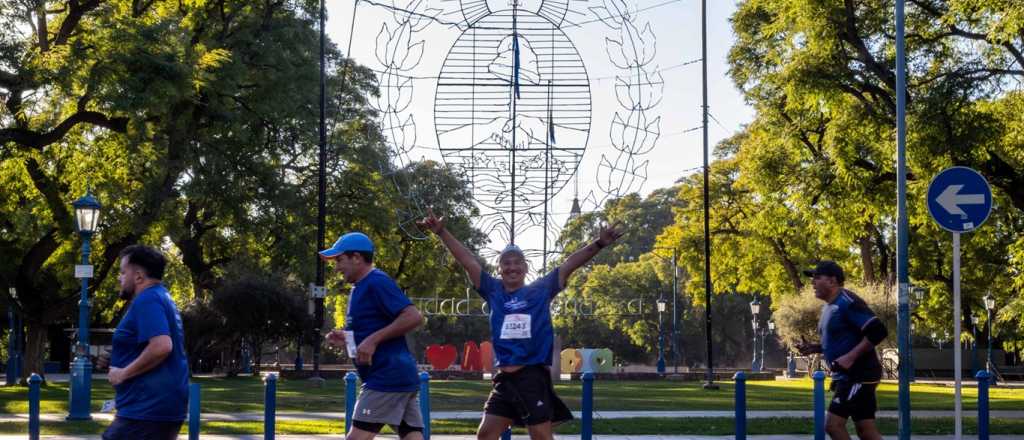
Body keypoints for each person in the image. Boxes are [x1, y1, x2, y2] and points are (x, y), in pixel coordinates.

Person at [418, 209, 624, 440]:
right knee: (485, 435)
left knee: (541, 437)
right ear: (499, 269)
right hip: (504, 381)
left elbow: (569, 265)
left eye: (517, 263)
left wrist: (599, 243)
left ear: (526, 268)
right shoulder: (493, 290)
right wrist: (442, 232)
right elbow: (468, 261)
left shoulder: (541, 289)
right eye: (506, 263)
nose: (512, 267)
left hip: (531, 377)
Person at [321, 232, 426, 440]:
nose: (337, 268)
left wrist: (372, 340)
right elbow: (370, 333)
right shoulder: (359, 287)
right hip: (398, 377)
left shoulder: (377, 282)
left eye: (339, 260)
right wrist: (347, 339)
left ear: (357, 258)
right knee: (411, 436)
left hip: (386, 377)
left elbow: (413, 316)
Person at [97, 245, 189, 440]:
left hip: (145, 410)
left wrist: (123, 373)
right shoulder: (161, 297)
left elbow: (162, 346)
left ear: (138, 276)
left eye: (123, 272)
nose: (119, 278)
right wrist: (118, 358)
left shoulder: (148, 300)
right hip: (154, 409)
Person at [796, 260, 887, 440]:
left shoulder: (847, 302)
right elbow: (844, 340)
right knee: (865, 430)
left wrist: (850, 358)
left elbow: (878, 331)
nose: (812, 282)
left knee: (833, 425)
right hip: (850, 375)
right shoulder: (829, 306)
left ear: (832, 281)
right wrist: (815, 347)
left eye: (817, 277)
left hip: (858, 374)